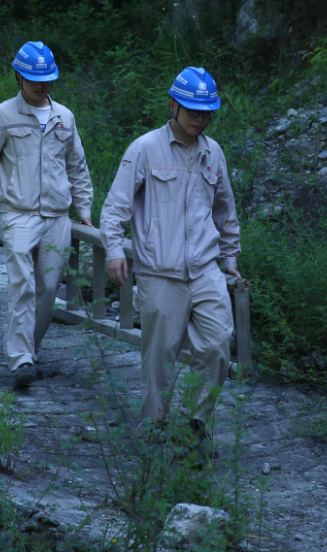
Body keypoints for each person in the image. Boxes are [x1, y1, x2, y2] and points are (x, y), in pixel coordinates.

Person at [100, 66, 241, 450]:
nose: (200, 119)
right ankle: (155, 427)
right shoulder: (144, 149)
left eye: (206, 112)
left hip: (205, 269)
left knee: (217, 344)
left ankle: (194, 424)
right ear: (172, 105)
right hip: (159, 271)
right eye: (193, 111)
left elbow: (225, 211)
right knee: (160, 356)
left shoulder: (213, 153)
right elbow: (114, 208)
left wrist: (230, 258)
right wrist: (114, 251)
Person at [0, 41, 94, 388]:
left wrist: (84, 210)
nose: (40, 85)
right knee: (22, 284)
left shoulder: (64, 117)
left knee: (48, 288)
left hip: (57, 217)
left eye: (46, 79)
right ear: (18, 77)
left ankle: (31, 350)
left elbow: (77, 167)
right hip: (18, 215)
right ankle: (20, 358)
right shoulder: (2, 116)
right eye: (33, 79)